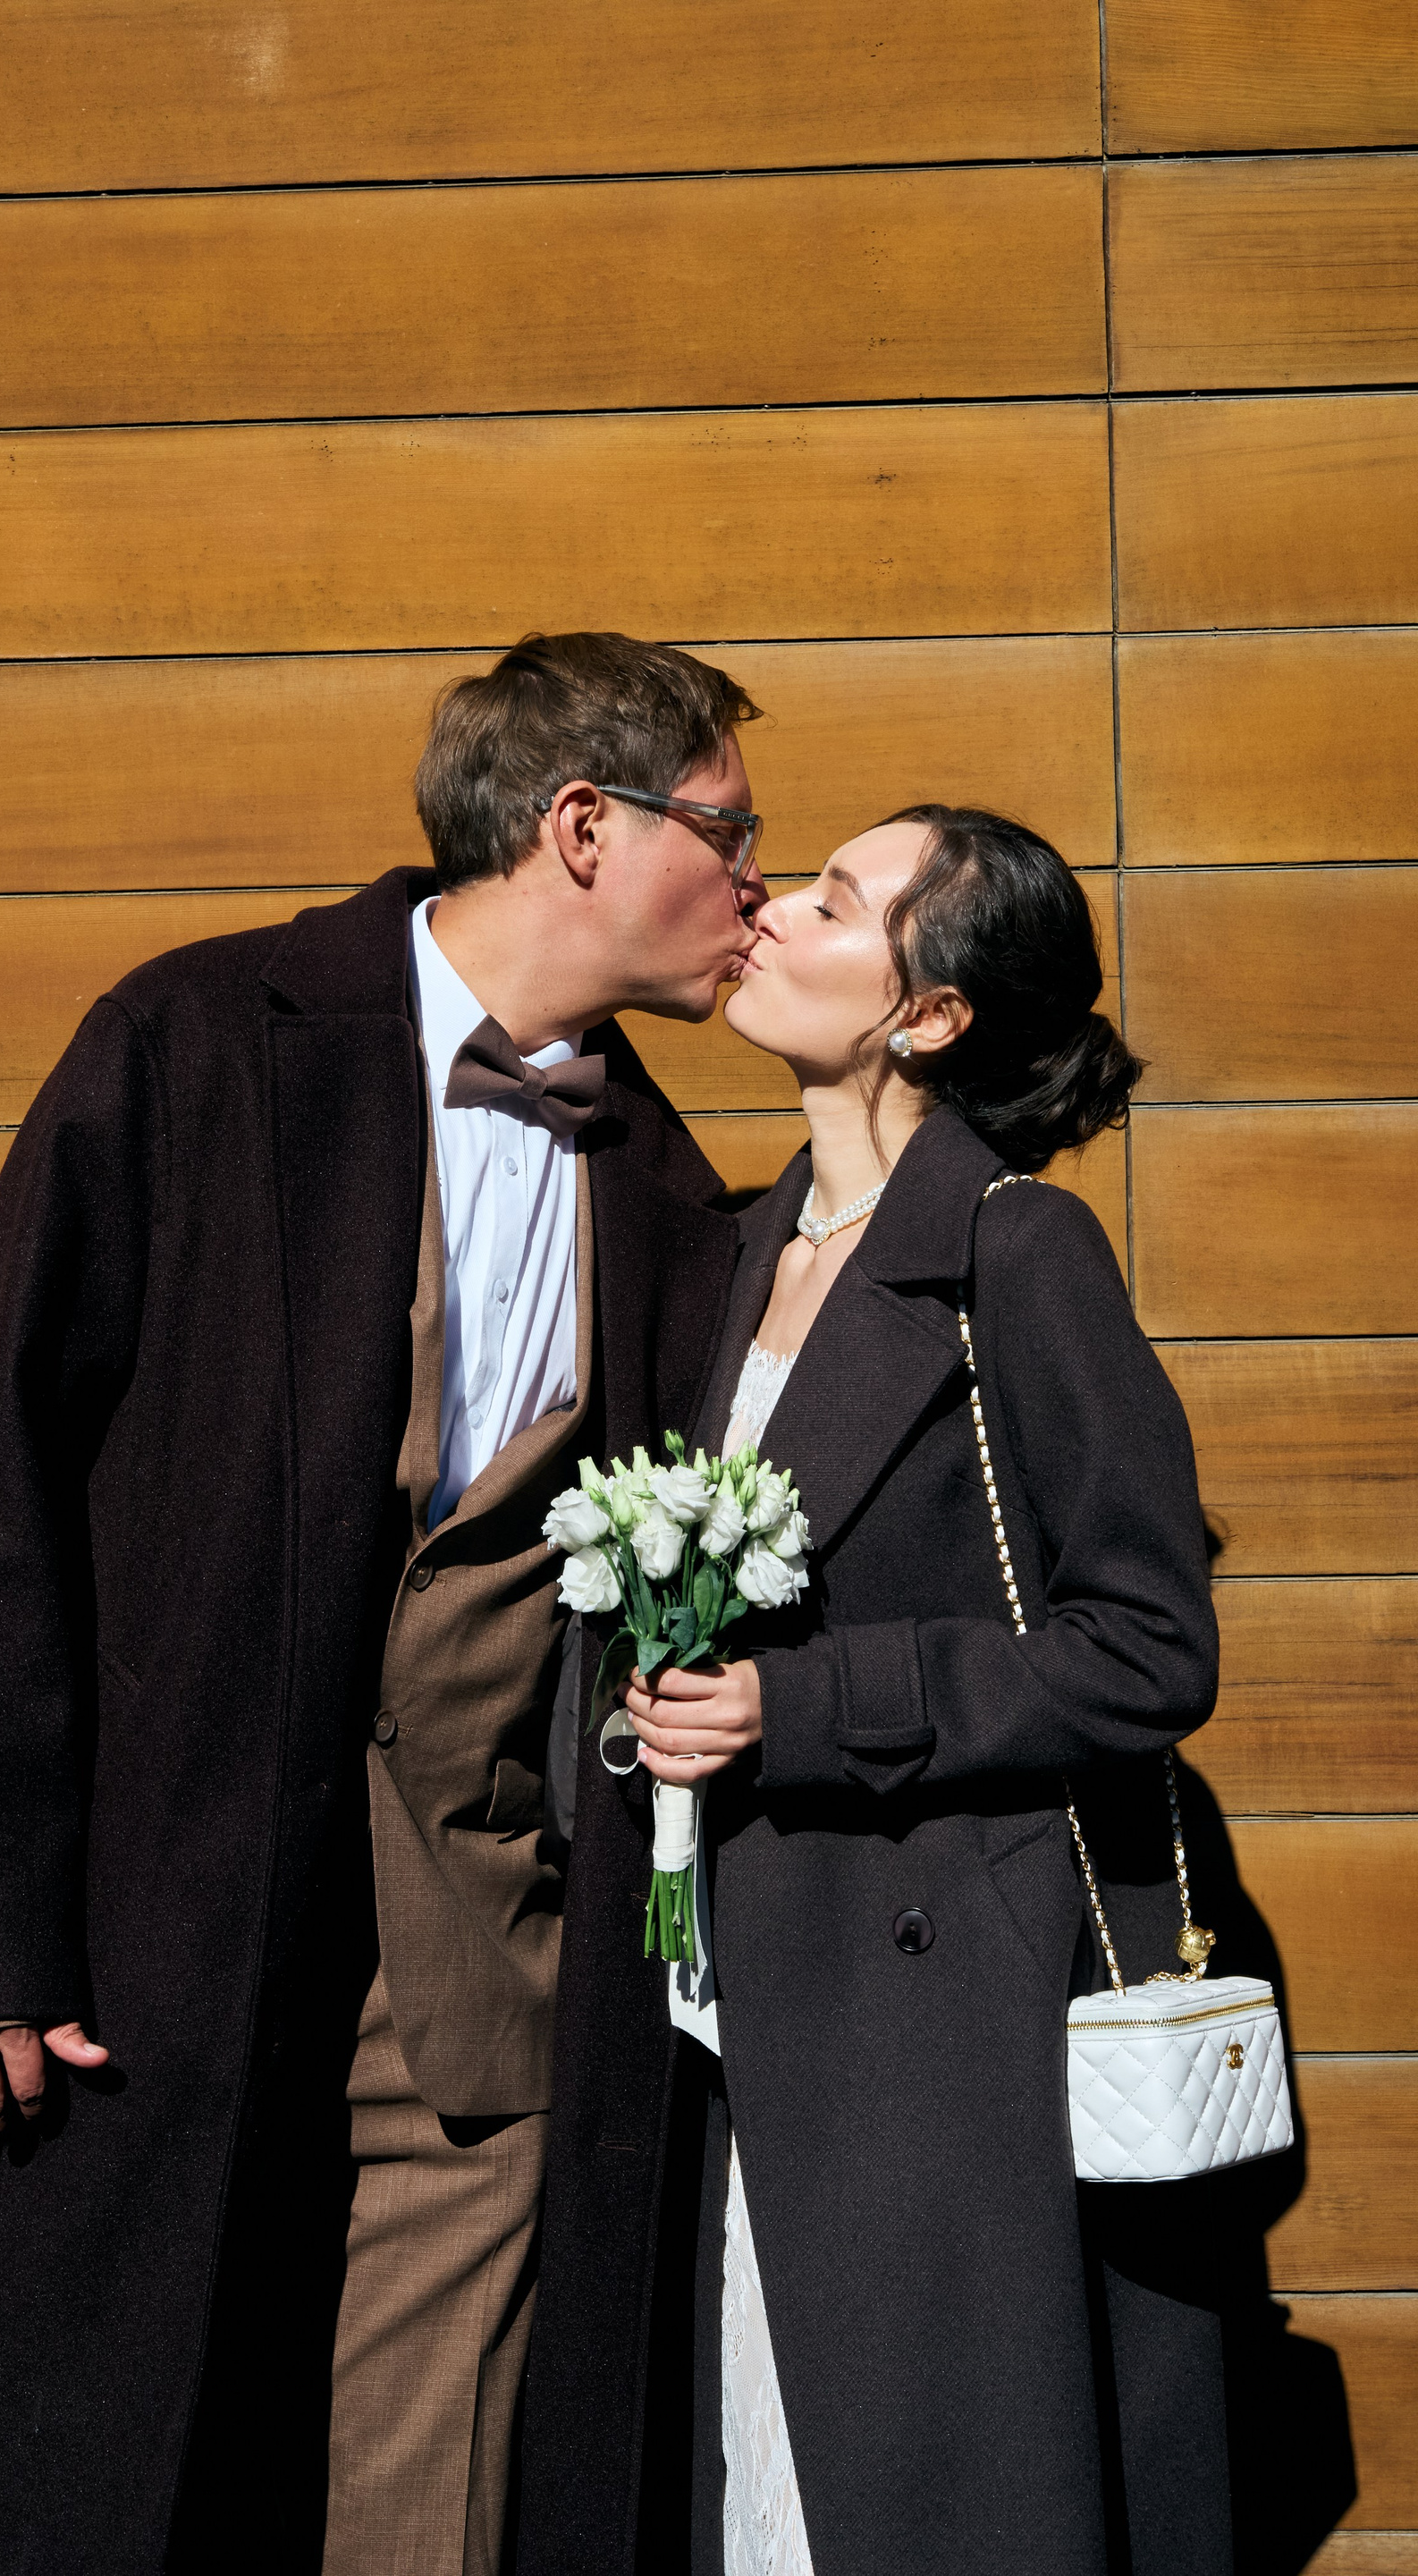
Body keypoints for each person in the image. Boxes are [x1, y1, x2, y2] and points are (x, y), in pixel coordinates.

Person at [0, 632, 770, 2576]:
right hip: (156, 1947)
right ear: (584, 827)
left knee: (433, 2519)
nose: (758, 885)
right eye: (730, 831)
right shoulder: (197, 1041)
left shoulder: (670, 1187)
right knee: (102, 2484)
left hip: (480, 1985)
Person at [519, 807, 1231, 2576]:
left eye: (838, 901)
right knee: (758, 2480)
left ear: (928, 1014)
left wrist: (807, 1708)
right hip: (726, 1997)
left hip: (934, 2018)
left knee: (907, 2497)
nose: (772, 910)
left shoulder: (1016, 1251)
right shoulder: (746, 1246)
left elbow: (1150, 1644)